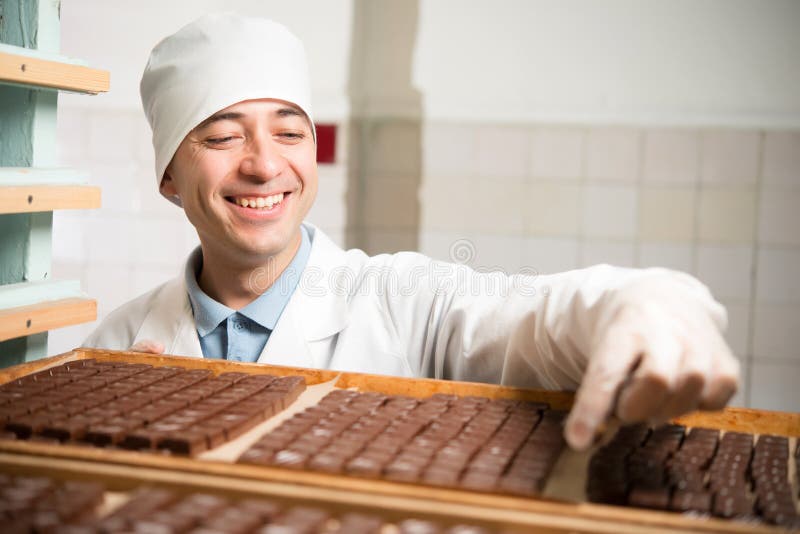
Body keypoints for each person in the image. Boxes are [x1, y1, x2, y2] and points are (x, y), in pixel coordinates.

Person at [84, 13, 739, 451]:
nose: (263, 163)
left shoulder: (403, 303)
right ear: (170, 177)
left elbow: (529, 319)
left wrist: (636, 302)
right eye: (223, 136)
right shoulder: (114, 346)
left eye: (290, 132)